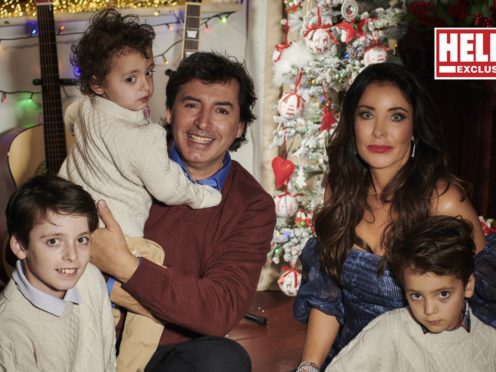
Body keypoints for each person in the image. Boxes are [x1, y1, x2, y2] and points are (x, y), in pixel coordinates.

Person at [293, 62, 495, 371]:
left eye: (396, 116)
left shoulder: (445, 203)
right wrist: (309, 367)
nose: (379, 131)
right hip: (353, 360)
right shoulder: (340, 191)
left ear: (414, 128)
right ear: (353, 123)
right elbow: (327, 296)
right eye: (367, 114)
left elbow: (482, 302)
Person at [88, 51, 276, 371]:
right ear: (169, 112)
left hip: (168, 351)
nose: (203, 123)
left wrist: (124, 267)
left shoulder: (252, 205)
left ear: (241, 126)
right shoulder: (129, 155)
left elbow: (218, 311)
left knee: (225, 361)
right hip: (90, 325)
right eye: (191, 105)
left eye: (221, 110)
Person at [58, 9, 222, 371]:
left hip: (71, 222)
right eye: (131, 79)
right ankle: (127, 366)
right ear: (100, 84)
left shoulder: (85, 109)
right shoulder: (142, 137)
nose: (146, 87)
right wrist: (202, 194)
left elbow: (71, 114)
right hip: (119, 233)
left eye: (147, 73)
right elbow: (166, 186)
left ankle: (106, 307)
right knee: (154, 278)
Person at [326, 216, 496, 372]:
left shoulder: (490, 343)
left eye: (443, 294)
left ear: (468, 286)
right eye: (416, 295)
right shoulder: (390, 330)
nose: (429, 310)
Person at [0, 175, 116, 371]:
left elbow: (108, 360)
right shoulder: (8, 327)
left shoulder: (90, 278)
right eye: (53, 241)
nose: (72, 255)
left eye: (81, 240)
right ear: (20, 246)